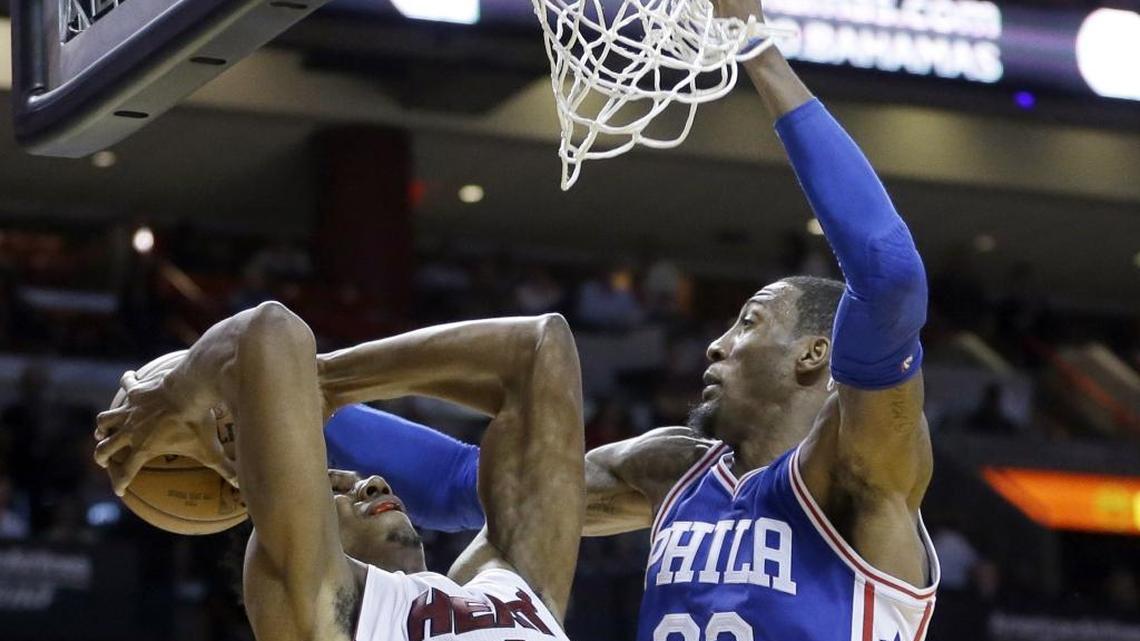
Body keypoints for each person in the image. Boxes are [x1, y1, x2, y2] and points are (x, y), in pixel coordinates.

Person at [322, 0, 942, 637]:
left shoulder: (858, 472)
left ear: (816, 352)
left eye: (749, 322)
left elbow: (890, 277)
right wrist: (291, 402)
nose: (715, 346)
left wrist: (754, 45)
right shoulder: (673, 469)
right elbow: (464, 483)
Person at [93, 305, 584, 641]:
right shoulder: (319, 608)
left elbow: (543, 349)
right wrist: (184, 390)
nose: (370, 483)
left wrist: (328, 383)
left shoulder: (505, 584)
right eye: (337, 485)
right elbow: (267, 333)